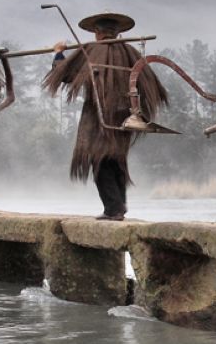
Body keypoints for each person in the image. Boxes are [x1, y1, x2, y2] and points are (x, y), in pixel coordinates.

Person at [44, 12, 168, 221]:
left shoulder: (92, 50)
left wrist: (58, 53)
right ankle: (119, 205)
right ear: (117, 32)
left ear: (97, 32)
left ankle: (113, 209)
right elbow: (151, 84)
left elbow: (64, 75)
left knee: (99, 159)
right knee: (115, 159)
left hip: (99, 116)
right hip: (125, 116)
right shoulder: (130, 52)